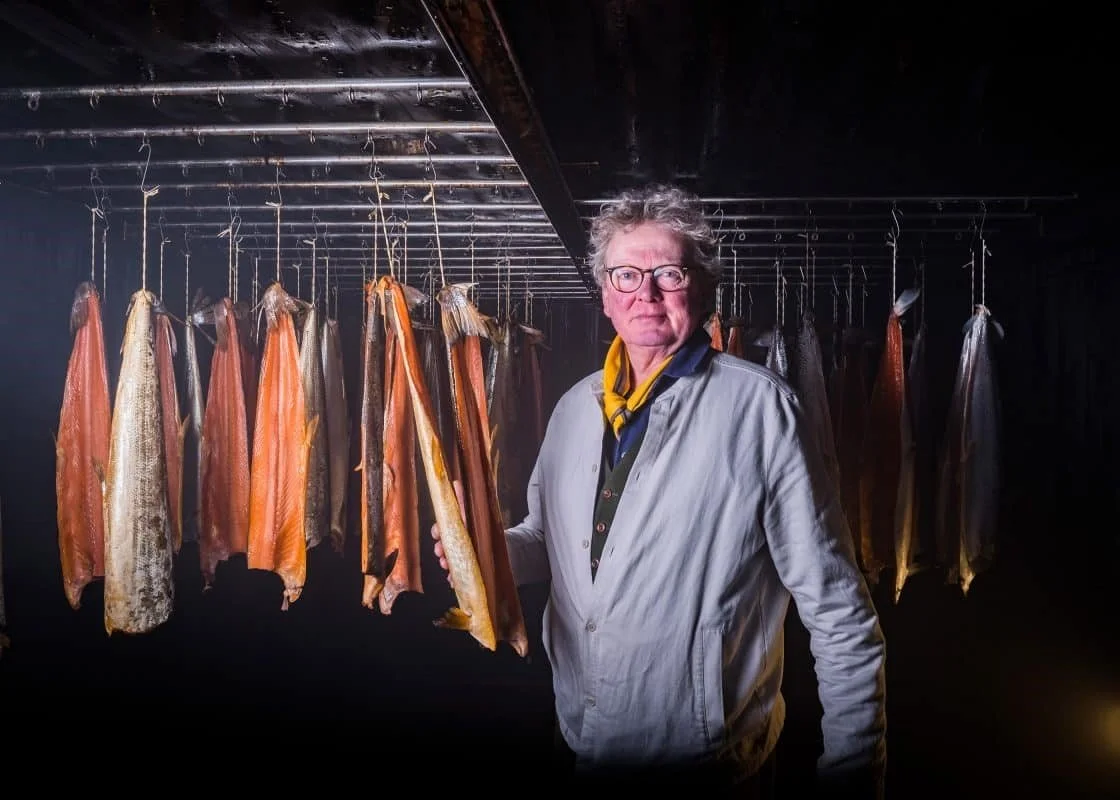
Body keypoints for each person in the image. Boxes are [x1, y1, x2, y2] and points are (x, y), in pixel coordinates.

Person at [432, 183, 887, 798]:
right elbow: (547, 542)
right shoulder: (574, 409)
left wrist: (853, 779)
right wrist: (482, 549)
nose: (644, 293)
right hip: (586, 740)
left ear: (701, 288)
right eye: (625, 275)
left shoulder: (762, 410)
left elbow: (838, 612)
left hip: (708, 764)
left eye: (668, 273)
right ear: (604, 295)